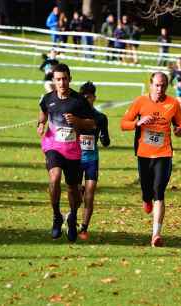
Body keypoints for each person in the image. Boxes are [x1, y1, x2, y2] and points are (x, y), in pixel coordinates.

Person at [121, 72, 181, 247]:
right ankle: (146, 199)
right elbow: (123, 124)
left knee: (159, 191)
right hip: (143, 154)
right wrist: (138, 123)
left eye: (163, 85)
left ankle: (156, 234)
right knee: (147, 190)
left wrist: (179, 131)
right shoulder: (140, 101)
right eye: (157, 85)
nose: (160, 89)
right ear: (150, 85)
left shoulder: (173, 103)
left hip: (164, 154)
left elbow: (180, 125)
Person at [37, 63, 95, 242]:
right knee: (54, 178)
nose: (61, 83)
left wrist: (77, 120)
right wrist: (40, 124)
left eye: (64, 79)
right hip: (53, 146)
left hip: (73, 151)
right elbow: (43, 113)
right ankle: (56, 216)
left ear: (70, 79)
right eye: (58, 79)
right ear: (53, 81)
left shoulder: (79, 101)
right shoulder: (48, 98)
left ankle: (72, 218)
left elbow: (92, 123)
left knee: (73, 189)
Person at [77, 82, 110, 240]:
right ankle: (72, 220)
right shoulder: (74, 115)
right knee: (76, 196)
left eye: (88, 97)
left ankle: (84, 228)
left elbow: (106, 141)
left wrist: (103, 138)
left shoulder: (101, 117)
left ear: (94, 98)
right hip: (75, 159)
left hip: (92, 160)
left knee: (90, 195)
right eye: (83, 96)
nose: (86, 99)